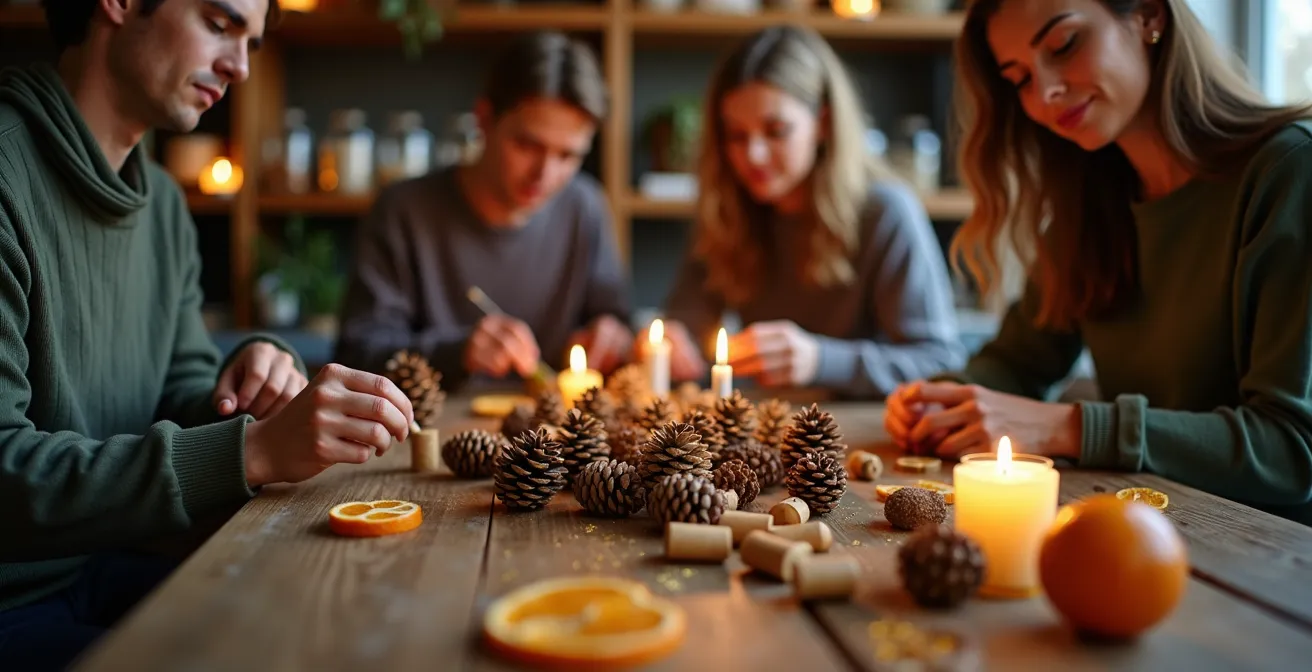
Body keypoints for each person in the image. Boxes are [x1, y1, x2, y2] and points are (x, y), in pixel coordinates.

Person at [0, 1, 417, 668]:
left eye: (250, 41)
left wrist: (259, 380)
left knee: (342, 624)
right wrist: (249, 453)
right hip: (13, 603)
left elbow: (184, 391)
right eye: (220, 24)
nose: (239, 67)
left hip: (101, 568)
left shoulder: (164, 205)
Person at [885, 0, 1312, 523]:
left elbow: (1293, 450)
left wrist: (1069, 427)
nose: (1044, 94)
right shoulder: (1089, 200)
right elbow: (1020, 361)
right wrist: (943, 402)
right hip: (1139, 529)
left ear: (1150, 16)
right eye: (1018, 78)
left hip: (1272, 564)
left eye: (1064, 45)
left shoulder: (1292, 174)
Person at [655, 25, 966, 400]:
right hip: (767, 430)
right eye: (736, 135)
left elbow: (940, 363)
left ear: (822, 122)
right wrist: (672, 344)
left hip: (867, 435)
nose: (753, 155)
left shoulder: (885, 212)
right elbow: (686, 322)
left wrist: (820, 359)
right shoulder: (727, 208)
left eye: (776, 130)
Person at [333, 31, 634, 390]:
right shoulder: (404, 212)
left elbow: (615, 320)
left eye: (567, 155)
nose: (545, 174)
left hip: (556, 441)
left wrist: (613, 336)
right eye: (527, 145)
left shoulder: (586, 207)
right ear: (484, 119)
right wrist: (458, 352)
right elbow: (355, 356)